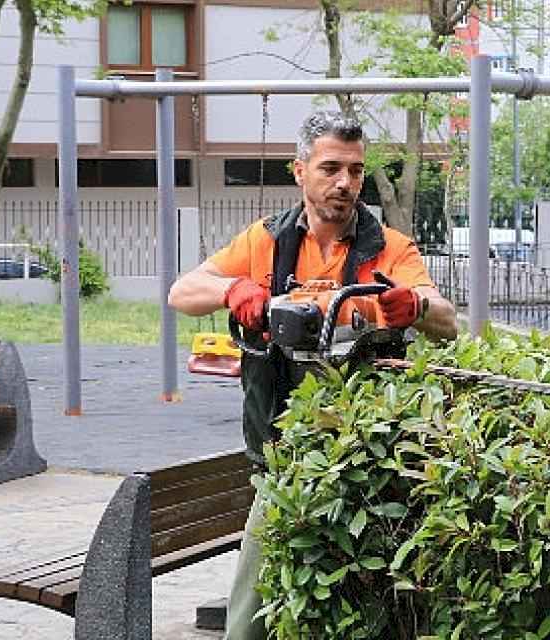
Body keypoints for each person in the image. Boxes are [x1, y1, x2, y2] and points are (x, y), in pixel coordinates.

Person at [167, 110, 458, 639]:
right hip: (283, 455)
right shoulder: (265, 242)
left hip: (371, 462)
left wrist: (411, 305)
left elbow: (447, 319)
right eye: (330, 168)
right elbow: (182, 292)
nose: (345, 183)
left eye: (355, 170)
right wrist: (234, 290)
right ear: (299, 171)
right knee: (254, 598)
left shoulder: (390, 248)